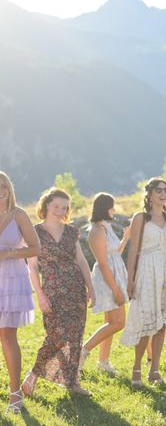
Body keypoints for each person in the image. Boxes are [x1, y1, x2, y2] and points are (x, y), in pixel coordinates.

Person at [23, 188, 95, 397]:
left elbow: (81, 261)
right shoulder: (35, 231)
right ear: (45, 205)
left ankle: (72, 382)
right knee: (55, 336)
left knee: (75, 336)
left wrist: (90, 287)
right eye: (56, 206)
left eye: (64, 207)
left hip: (76, 287)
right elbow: (33, 267)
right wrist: (40, 295)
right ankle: (33, 375)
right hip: (52, 290)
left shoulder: (72, 231)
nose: (60, 211)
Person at [121, 178, 166, 387]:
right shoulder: (140, 218)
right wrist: (130, 279)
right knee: (147, 322)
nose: (163, 194)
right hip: (146, 271)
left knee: (162, 322)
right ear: (150, 194)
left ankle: (154, 370)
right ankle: (137, 367)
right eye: (159, 190)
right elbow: (133, 250)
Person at [0, 171, 40, 413]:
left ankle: (15, 394)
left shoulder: (19, 215)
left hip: (11, 280)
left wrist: (10, 253)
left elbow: (36, 248)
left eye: (4, 185)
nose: (1, 188)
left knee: (6, 335)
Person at [79, 193, 129, 375]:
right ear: (104, 208)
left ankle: (103, 362)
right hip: (108, 278)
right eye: (111, 206)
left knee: (110, 321)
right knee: (118, 322)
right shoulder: (97, 231)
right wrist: (115, 289)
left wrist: (126, 237)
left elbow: (115, 252)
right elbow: (102, 262)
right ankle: (83, 352)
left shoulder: (105, 227)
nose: (114, 210)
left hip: (115, 274)